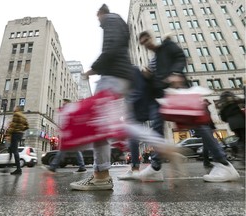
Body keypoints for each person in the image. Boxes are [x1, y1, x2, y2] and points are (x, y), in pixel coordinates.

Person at [69, 4, 180, 191]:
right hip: (119, 77)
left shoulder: (110, 20)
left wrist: (94, 68)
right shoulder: (118, 22)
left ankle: (102, 176)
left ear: (100, 13)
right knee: (105, 124)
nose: (98, 22)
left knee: (99, 125)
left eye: (98, 18)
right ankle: (101, 174)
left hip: (112, 76)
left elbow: (112, 49)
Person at [137, 30, 240, 182]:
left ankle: (223, 163)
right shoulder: (155, 59)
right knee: (157, 127)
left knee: (199, 125)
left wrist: (176, 73)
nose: (147, 44)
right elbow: (155, 82)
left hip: (179, 92)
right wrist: (147, 78)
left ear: (152, 37)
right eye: (143, 43)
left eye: (147, 40)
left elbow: (180, 57)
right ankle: (155, 166)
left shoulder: (167, 45)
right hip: (164, 97)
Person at [47, 99, 87, 173]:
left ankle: (53, 166)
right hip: (70, 133)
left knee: (63, 150)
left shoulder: (70, 110)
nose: (63, 104)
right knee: (74, 150)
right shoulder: (69, 110)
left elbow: (70, 121)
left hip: (70, 133)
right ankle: (82, 166)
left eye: (65, 103)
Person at [217, 91, 245, 162]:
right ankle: (242, 155)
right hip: (241, 121)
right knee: (244, 138)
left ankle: (241, 155)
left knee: (241, 139)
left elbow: (223, 118)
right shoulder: (235, 102)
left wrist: (229, 119)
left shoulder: (223, 107)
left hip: (232, 125)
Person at [6, 106, 29, 175]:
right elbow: (27, 126)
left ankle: (18, 169)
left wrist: (8, 133)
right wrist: (21, 129)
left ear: (17, 109)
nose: (13, 109)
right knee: (11, 148)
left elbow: (13, 125)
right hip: (20, 134)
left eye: (14, 108)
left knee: (15, 151)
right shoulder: (23, 116)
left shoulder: (16, 114)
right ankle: (8, 164)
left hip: (15, 133)